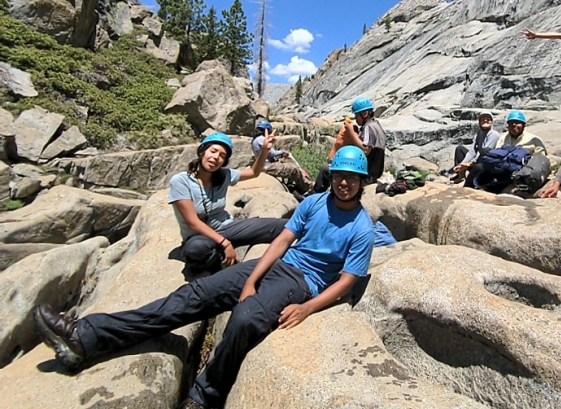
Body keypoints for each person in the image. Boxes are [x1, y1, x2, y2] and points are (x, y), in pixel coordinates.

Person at [32, 145, 375, 409]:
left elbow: (346, 281)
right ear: (330, 176)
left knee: (245, 318)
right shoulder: (314, 203)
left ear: (362, 182)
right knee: (194, 294)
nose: (344, 183)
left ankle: (205, 395)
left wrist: (307, 308)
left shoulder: (362, 228)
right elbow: (282, 241)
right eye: (339, 175)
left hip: (302, 282)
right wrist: (252, 279)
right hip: (278, 267)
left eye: (352, 178)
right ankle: (86, 335)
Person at [169, 131, 287, 273]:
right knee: (196, 250)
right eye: (213, 151)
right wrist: (225, 244)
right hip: (199, 236)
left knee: (285, 227)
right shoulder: (181, 181)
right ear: (202, 151)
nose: (216, 158)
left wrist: (265, 151)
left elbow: (254, 172)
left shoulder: (224, 175)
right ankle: (221, 261)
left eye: (222, 156)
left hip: (228, 227)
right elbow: (192, 222)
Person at [314, 97, 387, 192]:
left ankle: (314, 196)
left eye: (357, 115)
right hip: (372, 173)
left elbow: (366, 150)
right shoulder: (377, 125)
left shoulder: (369, 127)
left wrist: (351, 132)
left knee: (325, 169)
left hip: (365, 174)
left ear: (365, 114)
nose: (355, 118)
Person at [464, 110, 547, 188]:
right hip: (501, 168)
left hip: (521, 171)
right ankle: (466, 189)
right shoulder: (503, 138)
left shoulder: (534, 140)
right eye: (511, 124)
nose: (514, 126)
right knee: (478, 168)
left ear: (523, 125)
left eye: (517, 123)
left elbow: (540, 159)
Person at [252, 119, 312, 195]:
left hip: (266, 165)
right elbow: (272, 153)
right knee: (294, 169)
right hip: (268, 166)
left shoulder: (255, 140)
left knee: (288, 161)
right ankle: (306, 187)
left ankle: (294, 183)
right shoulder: (261, 139)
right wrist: (283, 152)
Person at [451, 110, 500, 183]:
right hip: (477, 162)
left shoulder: (494, 134)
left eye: (488, 119)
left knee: (484, 153)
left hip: (486, 163)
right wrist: (462, 164)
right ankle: (461, 175)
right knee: (460, 149)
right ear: (479, 122)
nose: (485, 120)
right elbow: (472, 152)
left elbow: (484, 153)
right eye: (483, 119)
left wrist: (468, 164)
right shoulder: (478, 134)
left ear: (491, 122)